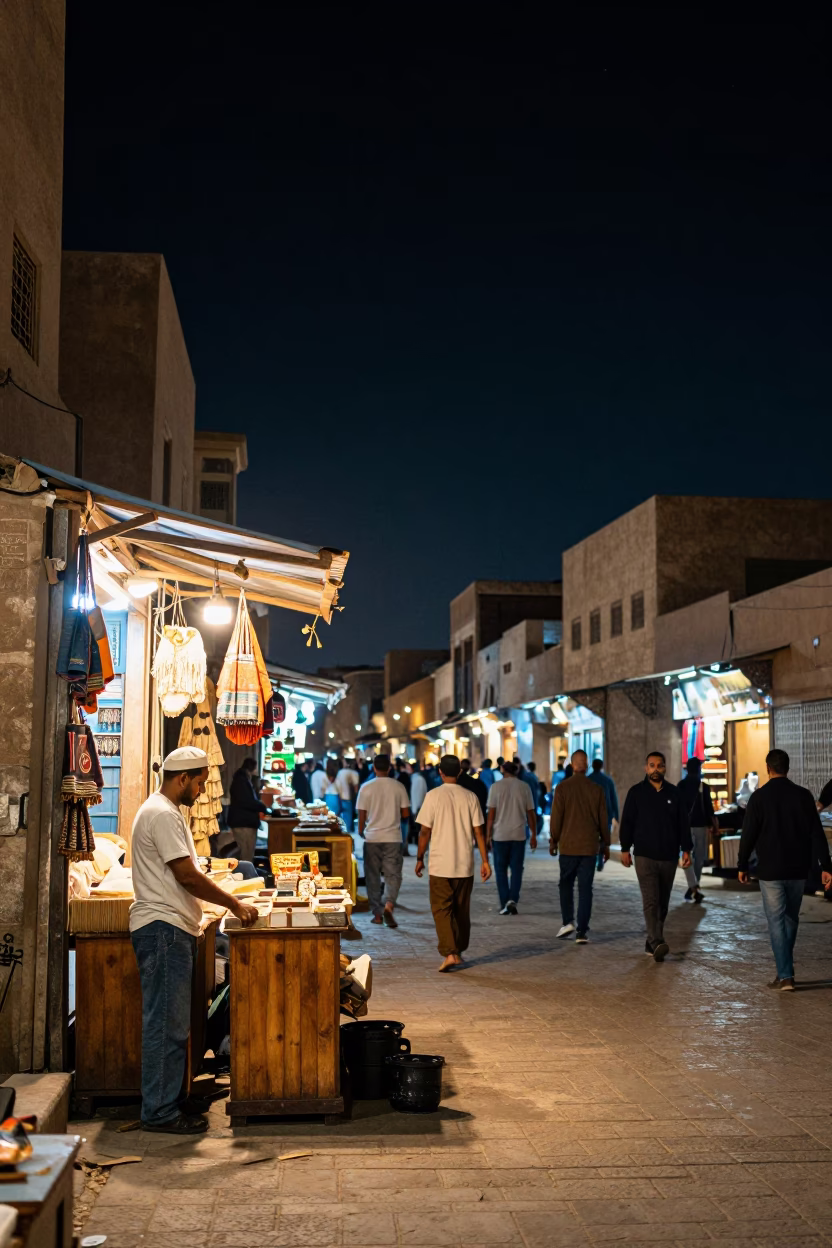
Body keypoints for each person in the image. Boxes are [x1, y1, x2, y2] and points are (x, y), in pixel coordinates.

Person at [130, 747, 258, 1134]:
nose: (203, 789)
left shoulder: (165, 812)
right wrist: (233, 903)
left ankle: (170, 1099)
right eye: (200, 782)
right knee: (165, 1025)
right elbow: (186, 875)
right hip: (162, 930)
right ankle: (159, 1112)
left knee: (175, 1025)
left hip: (171, 928)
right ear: (182, 778)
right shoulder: (162, 814)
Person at [739, 748, 832, 991]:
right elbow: (816, 833)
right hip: (798, 868)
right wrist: (826, 865)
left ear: (768, 768)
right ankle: (785, 971)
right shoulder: (803, 796)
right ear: (787, 768)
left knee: (776, 921)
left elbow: (748, 834)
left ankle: (785, 975)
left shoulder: (759, 798)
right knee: (790, 919)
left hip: (770, 870)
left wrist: (741, 864)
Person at [414, 754, 492, 972]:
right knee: (461, 909)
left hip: (440, 864)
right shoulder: (470, 797)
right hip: (464, 863)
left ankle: (450, 953)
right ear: (459, 772)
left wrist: (420, 858)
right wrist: (485, 861)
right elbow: (479, 831)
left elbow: (424, 831)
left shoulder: (433, 796)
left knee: (442, 909)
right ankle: (457, 950)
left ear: (440, 772)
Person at [619, 751, 692, 962]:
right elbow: (628, 823)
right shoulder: (636, 793)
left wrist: (686, 849)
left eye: (659, 766)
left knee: (663, 903)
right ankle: (657, 941)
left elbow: (683, 824)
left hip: (668, 856)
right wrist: (625, 848)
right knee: (651, 901)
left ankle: (652, 941)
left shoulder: (674, 793)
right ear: (646, 768)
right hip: (644, 856)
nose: (655, 769)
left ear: (665, 768)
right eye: (651, 765)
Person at [549, 750, 608, 944]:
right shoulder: (596, 789)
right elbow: (603, 820)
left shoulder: (563, 788)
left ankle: (568, 922)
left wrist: (553, 840)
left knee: (565, 884)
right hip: (589, 847)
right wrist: (605, 844)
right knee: (585, 888)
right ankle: (582, 931)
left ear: (573, 765)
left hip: (568, 846)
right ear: (587, 765)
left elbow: (556, 818)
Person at [356, 754, 410, 928]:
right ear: (389, 768)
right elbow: (406, 814)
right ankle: (389, 905)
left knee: (372, 876)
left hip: (372, 837)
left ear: (373, 767)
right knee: (393, 874)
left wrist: (361, 829)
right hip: (393, 837)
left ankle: (377, 915)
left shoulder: (366, 787)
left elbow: (361, 814)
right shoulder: (398, 786)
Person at [486, 760, 537, 914]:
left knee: (500, 870)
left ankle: (504, 902)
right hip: (518, 834)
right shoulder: (524, 787)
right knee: (516, 869)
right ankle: (513, 899)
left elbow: (491, 815)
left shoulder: (496, 787)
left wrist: (488, 835)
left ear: (503, 770)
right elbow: (531, 813)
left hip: (500, 835)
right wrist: (533, 833)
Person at [676, 756, 718, 902]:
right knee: (699, 859)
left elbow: (676, 808)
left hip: (684, 827)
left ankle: (692, 887)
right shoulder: (703, 786)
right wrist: (714, 825)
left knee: (687, 857)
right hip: (700, 827)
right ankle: (694, 886)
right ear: (699, 769)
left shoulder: (680, 785)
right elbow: (709, 808)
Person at [227, 757, 269, 863]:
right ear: (252, 768)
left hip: (241, 821)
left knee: (245, 853)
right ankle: (245, 876)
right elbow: (247, 801)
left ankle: (245, 875)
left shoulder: (241, 779)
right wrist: (263, 807)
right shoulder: (242, 781)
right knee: (246, 855)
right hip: (244, 823)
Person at [588, 758, 619, 873]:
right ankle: (600, 858)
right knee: (603, 838)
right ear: (601, 767)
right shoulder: (607, 781)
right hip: (606, 814)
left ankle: (592, 858)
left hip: (590, 815)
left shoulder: (588, 780)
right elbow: (613, 798)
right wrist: (616, 815)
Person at [335, 759, 360, 831]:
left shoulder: (340, 772)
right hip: (348, 799)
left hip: (339, 797)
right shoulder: (354, 773)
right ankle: (348, 835)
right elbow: (356, 788)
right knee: (348, 819)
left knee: (342, 819)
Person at [407, 762, 427, 846]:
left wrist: (414, 809)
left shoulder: (417, 779)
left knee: (417, 827)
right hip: (418, 807)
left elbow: (416, 795)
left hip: (417, 807)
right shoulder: (418, 779)